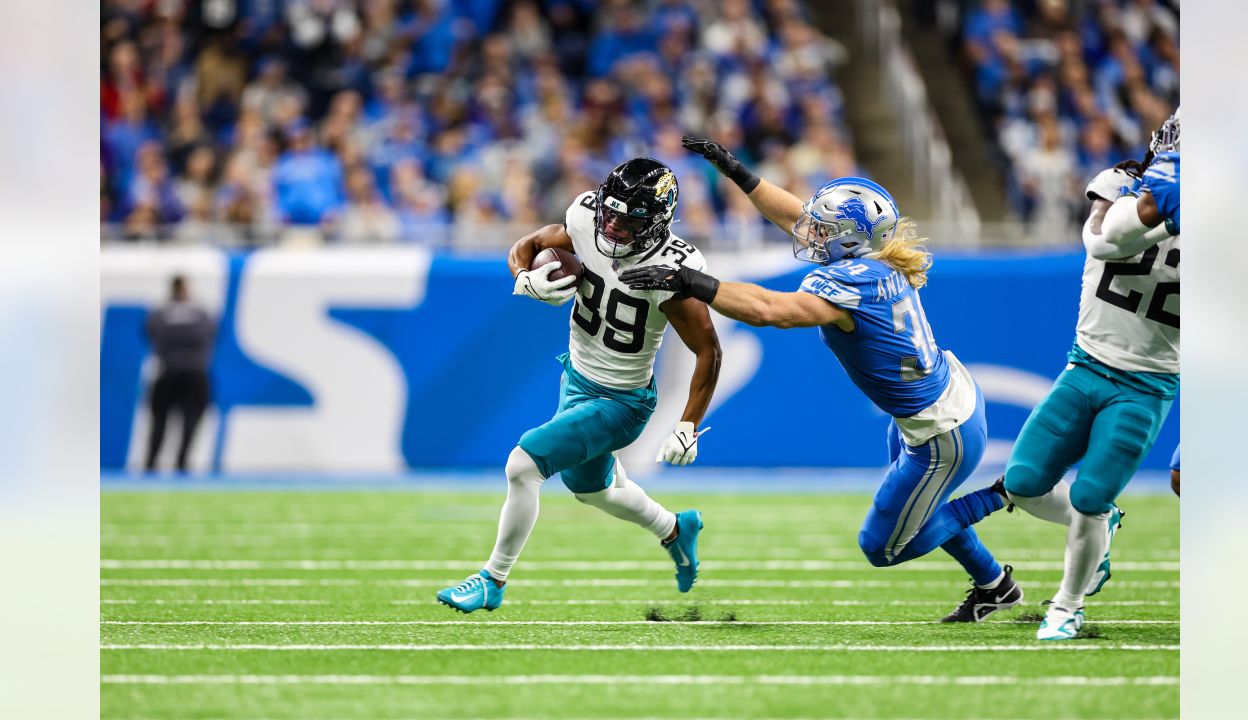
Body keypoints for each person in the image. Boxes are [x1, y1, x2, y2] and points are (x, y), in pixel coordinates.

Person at [622, 138, 1020, 623]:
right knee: (918, 507)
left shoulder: (850, 281)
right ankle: (995, 586)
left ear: (850, 239)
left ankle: (1006, 491)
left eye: (824, 228)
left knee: (885, 546)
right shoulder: (874, 259)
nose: (808, 231)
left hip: (940, 430)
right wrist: (737, 171)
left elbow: (774, 312)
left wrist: (691, 281)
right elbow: (797, 217)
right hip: (942, 403)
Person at [436, 158, 723, 613]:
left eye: (628, 222)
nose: (611, 227)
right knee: (593, 489)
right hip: (575, 378)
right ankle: (674, 529)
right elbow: (528, 243)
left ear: (658, 223)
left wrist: (688, 425)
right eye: (609, 214)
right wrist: (524, 276)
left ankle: (493, 578)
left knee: (522, 465)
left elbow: (709, 350)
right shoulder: (587, 218)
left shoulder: (671, 268)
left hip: (622, 401)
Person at [999, 109, 1180, 640]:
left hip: (1147, 384)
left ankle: (1067, 604)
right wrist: (1170, 211)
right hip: (1087, 365)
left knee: (1088, 497)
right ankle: (1104, 528)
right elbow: (1102, 242)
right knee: (1024, 483)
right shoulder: (1119, 183)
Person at [144, 275, 218, 473]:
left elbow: (149, 333)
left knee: (160, 423)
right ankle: (182, 465)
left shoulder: (160, 313)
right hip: (194, 373)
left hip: (167, 371)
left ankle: (151, 465)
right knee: (190, 421)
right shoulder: (200, 313)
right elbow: (213, 333)